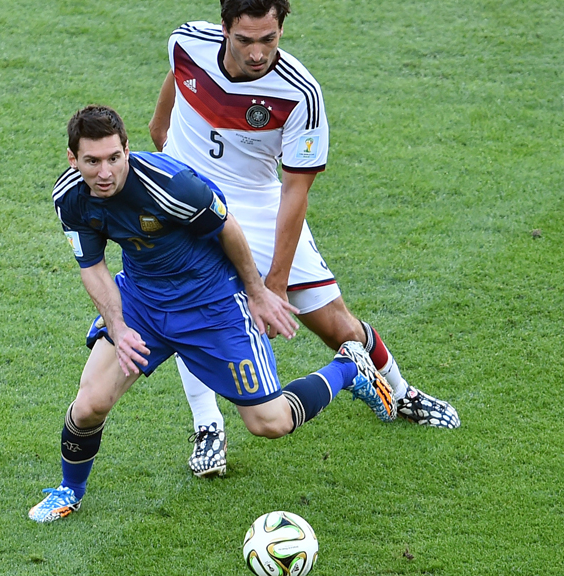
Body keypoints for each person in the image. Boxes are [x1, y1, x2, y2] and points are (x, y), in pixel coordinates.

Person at [28, 104, 397, 523]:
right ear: (73, 159)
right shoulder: (70, 197)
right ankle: (69, 491)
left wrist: (257, 293)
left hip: (212, 306)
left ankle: (350, 367)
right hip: (144, 303)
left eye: (115, 157)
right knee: (90, 403)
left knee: (269, 422)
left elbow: (229, 229)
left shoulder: (170, 184)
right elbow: (92, 268)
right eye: (92, 161)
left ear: (127, 149)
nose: (106, 172)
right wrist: (118, 325)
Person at [148, 0, 459, 478]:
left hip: (257, 208)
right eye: (245, 40)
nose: (257, 53)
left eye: (268, 40)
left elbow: (295, 193)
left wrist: (273, 284)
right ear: (225, 28)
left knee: (334, 324)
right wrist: (165, 149)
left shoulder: (299, 94)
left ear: (281, 30)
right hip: (189, 205)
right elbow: (171, 91)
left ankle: (400, 393)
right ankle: (208, 428)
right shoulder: (187, 40)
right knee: (195, 313)